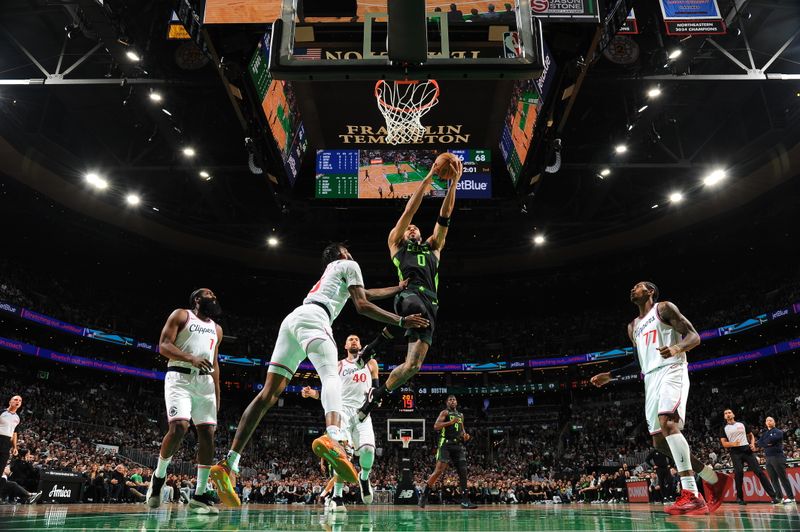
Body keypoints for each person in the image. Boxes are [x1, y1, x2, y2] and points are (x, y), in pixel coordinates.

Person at [210, 243, 428, 507]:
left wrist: (397, 288)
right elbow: (362, 305)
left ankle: (229, 461)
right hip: (315, 318)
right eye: (348, 250)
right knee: (331, 376)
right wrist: (400, 321)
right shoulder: (349, 264)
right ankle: (333, 437)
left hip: (292, 321)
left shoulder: (332, 275)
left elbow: (365, 293)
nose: (351, 253)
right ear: (342, 254)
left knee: (268, 394)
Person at [590, 282, 730, 515]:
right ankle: (712, 477)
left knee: (668, 422)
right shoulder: (632, 326)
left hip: (672, 369)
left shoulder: (663, 309)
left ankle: (691, 494)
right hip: (650, 379)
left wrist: (677, 348)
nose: (632, 289)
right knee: (660, 443)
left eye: (638, 286)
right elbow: (641, 362)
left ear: (650, 291)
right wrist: (611, 376)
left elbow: (694, 337)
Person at [356, 156, 463, 422]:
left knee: (413, 366)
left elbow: (445, 216)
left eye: (416, 228)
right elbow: (409, 213)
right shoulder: (396, 244)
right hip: (408, 294)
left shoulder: (433, 247)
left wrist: (453, 185)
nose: (413, 228)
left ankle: (377, 394)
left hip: (431, 305)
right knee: (411, 308)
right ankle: (378, 342)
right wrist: (427, 179)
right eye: (410, 228)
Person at [145, 288, 223, 514]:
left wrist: (217, 392)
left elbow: (215, 363)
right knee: (179, 426)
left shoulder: (217, 329)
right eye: (209, 293)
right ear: (197, 299)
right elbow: (164, 345)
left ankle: (199, 494)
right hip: (179, 376)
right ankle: (159, 477)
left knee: (208, 433)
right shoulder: (181, 315)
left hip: (205, 383)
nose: (214, 296)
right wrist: (190, 357)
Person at [301, 334, 380, 512]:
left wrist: (377, 399)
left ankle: (364, 477)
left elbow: (376, 389)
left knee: (368, 451)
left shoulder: (371, 363)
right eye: (350, 339)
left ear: (361, 345)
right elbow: (329, 391)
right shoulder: (338, 365)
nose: (354, 341)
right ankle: (337, 496)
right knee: (342, 455)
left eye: (357, 339)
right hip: (342, 411)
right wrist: (313, 394)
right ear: (345, 345)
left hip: (363, 412)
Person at [418, 395, 477, 509]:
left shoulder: (461, 415)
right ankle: (424, 496)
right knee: (438, 471)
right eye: (450, 400)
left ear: (457, 402)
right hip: (445, 444)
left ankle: (465, 501)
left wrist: (465, 436)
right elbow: (436, 426)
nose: (452, 401)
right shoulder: (444, 413)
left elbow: (462, 430)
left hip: (457, 445)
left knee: (463, 472)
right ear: (447, 403)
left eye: (454, 399)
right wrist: (450, 422)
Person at [720, 408, 779, 504]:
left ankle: (773, 496)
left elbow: (751, 435)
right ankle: (739, 498)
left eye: (729, 412)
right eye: (726, 413)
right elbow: (724, 443)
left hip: (747, 450)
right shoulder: (723, 428)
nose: (728, 414)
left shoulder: (742, 424)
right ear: (724, 416)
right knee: (739, 473)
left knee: (759, 472)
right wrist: (733, 444)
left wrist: (752, 444)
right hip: (735, 452)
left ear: (733, 414)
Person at [758, 417, 795, 504]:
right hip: (768, 458)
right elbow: (759, 443)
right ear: (765, 423)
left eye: (770, 420)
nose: (768, 422)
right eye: (767, 420)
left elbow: (772, 440)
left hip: (777, 457)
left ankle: (791, 497)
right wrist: (767, 443)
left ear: (774, 422)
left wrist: (765, 443)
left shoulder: (778, 432)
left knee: (783, 478)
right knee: (773, 479)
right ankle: (779, 497)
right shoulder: (766, 433)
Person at [0, 396, 22, 472]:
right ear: (10, 402)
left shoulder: (17, 417)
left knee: (1, 466)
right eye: (16, 399)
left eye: (20, 400)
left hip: (7, 443)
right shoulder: (2, 412)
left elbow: (15, 433)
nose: (18, 401)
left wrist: (15, 447)